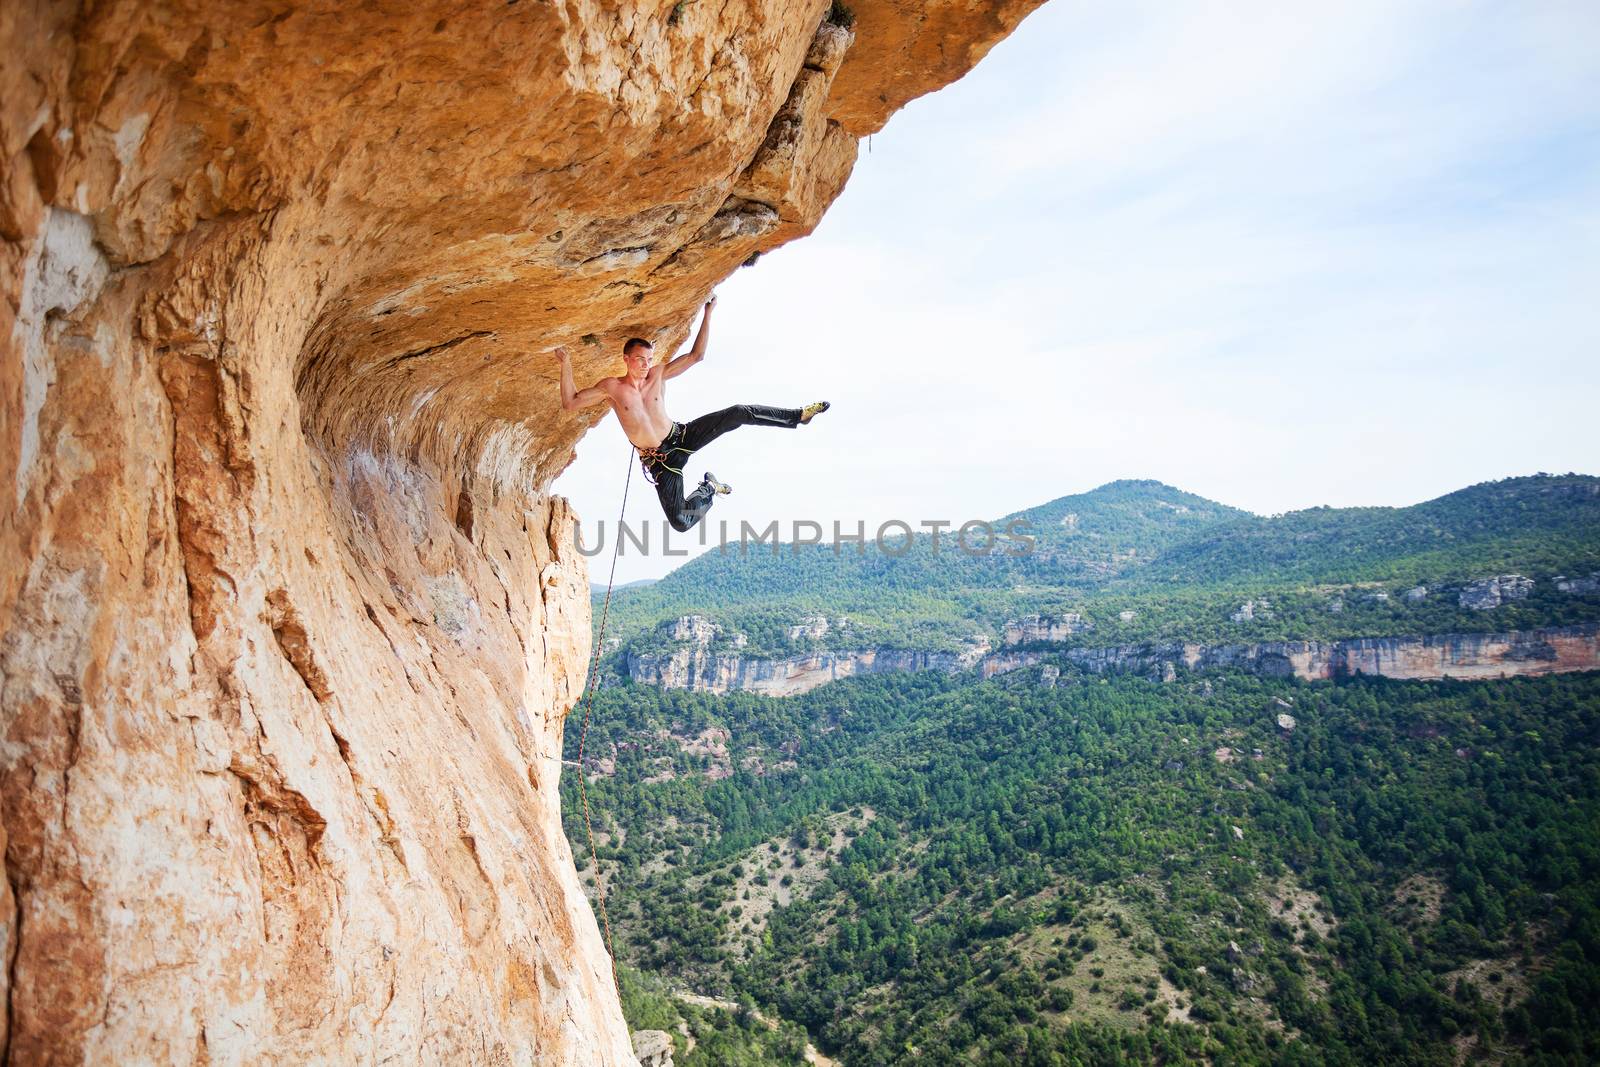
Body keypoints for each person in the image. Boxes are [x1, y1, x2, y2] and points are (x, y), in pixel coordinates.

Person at [555, 295, 829, 532]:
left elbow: (696, 355)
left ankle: (797, 415)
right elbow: (571, 402)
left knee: (738, 413)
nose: (645, 365)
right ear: (626, 359)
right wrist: (566, 364)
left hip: (682, 436)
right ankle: (709, 490)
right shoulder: (612, 388)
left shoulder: (658, 374)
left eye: (649, 359)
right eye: (640, 359)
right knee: (680, 522)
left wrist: (708, 314)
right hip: (660, 461)